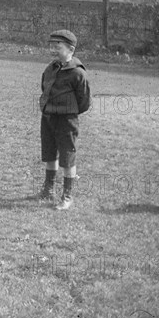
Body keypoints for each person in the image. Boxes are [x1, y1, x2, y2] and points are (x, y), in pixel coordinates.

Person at [38, 29, 91, 210]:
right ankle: (48, 189)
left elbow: (84, 101)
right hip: (48, 117)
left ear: (71, 50)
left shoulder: (78, 73)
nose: (53, 50)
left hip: (67, 121)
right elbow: (44, 87)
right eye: (51, 46)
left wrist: (69, 112)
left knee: (67, 156)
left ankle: (67, 196)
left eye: (57, 47)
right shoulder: (50, 68)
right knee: (49, 153)